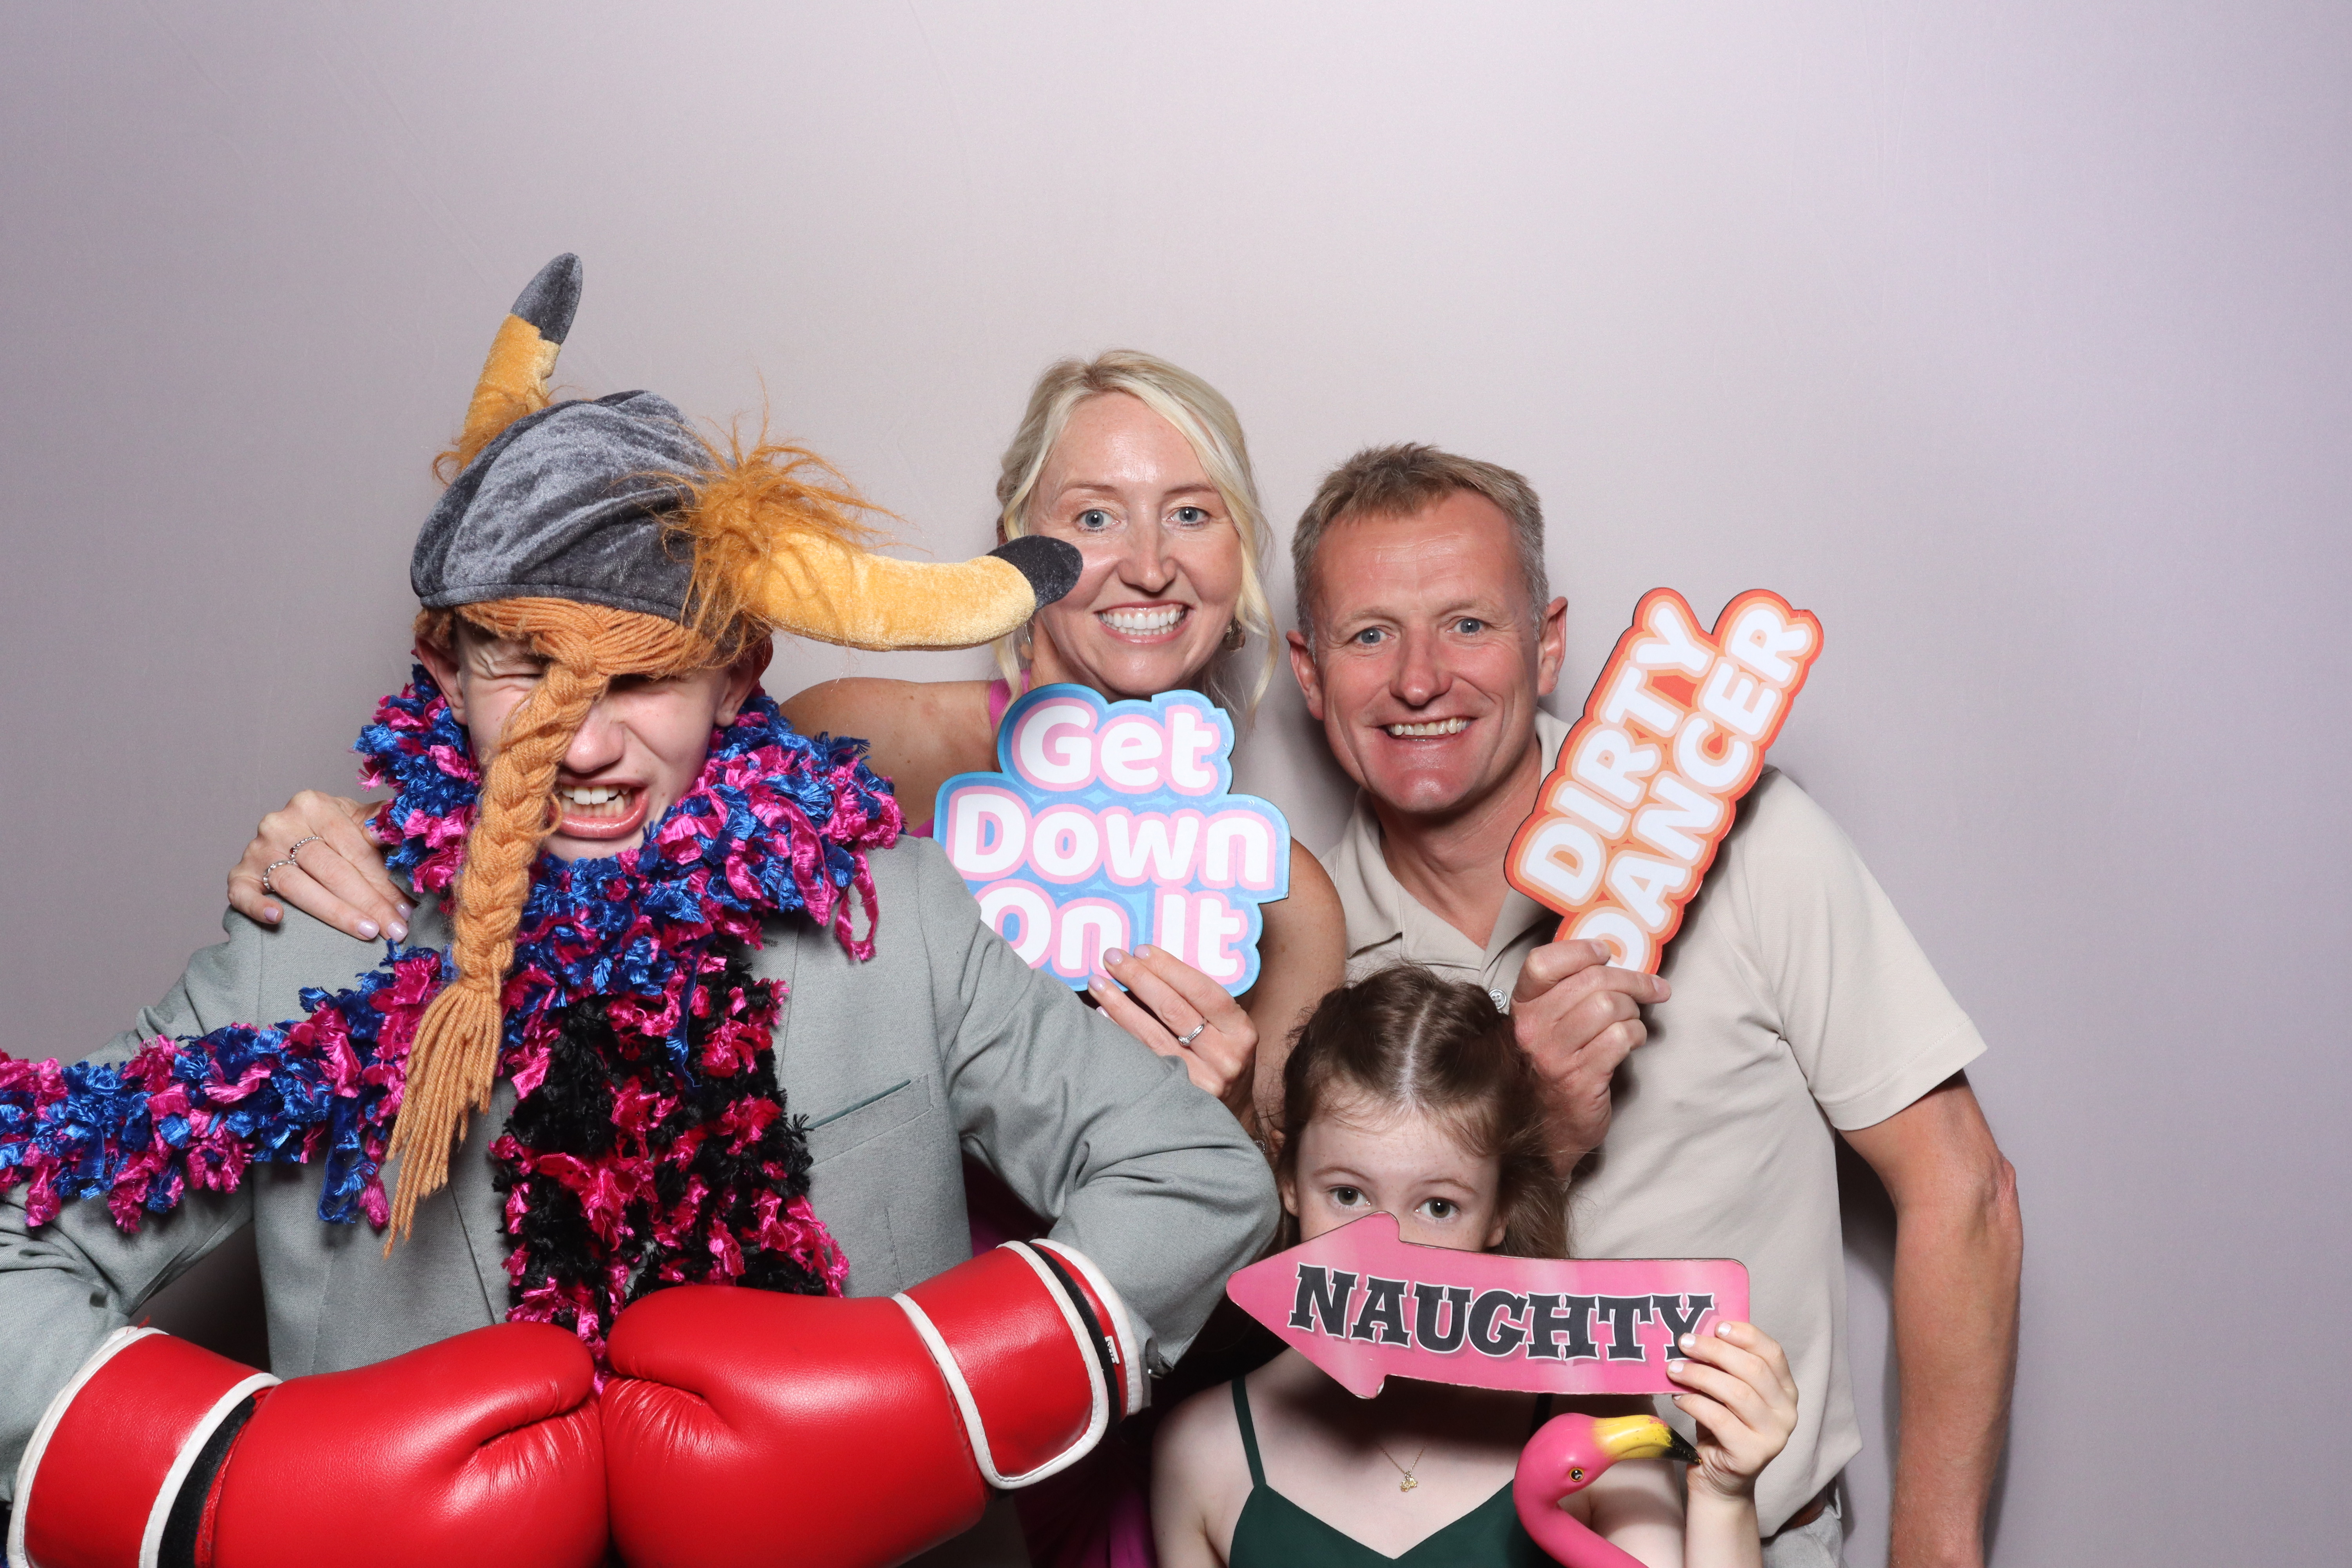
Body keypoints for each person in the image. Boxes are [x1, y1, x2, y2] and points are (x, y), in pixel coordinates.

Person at [0, 258, 1276, 1568]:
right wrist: (220, 1481)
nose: (588, 748)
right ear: (445, 664)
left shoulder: (895, 916)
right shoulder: (320, 947)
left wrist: (935, 1396)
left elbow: (1194, 1179)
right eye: (528, 668)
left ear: (739, 674)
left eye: (647, 680)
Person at [227, 351, 1347, 1139]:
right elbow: (609, 808)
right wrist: (348, 835)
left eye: (1193, 513)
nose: (1148, 564)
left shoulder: (1286, 900)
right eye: (1095, 516)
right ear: (1015, 535)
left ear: (1240, 543)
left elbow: (1293, 1230)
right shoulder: (860, 734)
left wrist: (1231, 1118)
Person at [1283, 444, 2024, 1567]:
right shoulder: (1305, 948)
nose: (1420, 680)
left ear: (1549, 643)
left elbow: (1960, 1188)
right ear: (1307, 672)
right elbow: (1337, 1326)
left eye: (1469, 625)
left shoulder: (1747, 836)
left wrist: (1935, 1548)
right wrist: (1539, 1142)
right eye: (1370, 634)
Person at [1152, 965, 1798, 1568]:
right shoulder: (1203, 1451)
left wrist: (1723, 1495)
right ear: (1290, 1181)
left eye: (1438, 1205)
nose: (1390, 1249)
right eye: (1348, 1194)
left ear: (1500, 1212)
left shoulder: (1595, 1422)